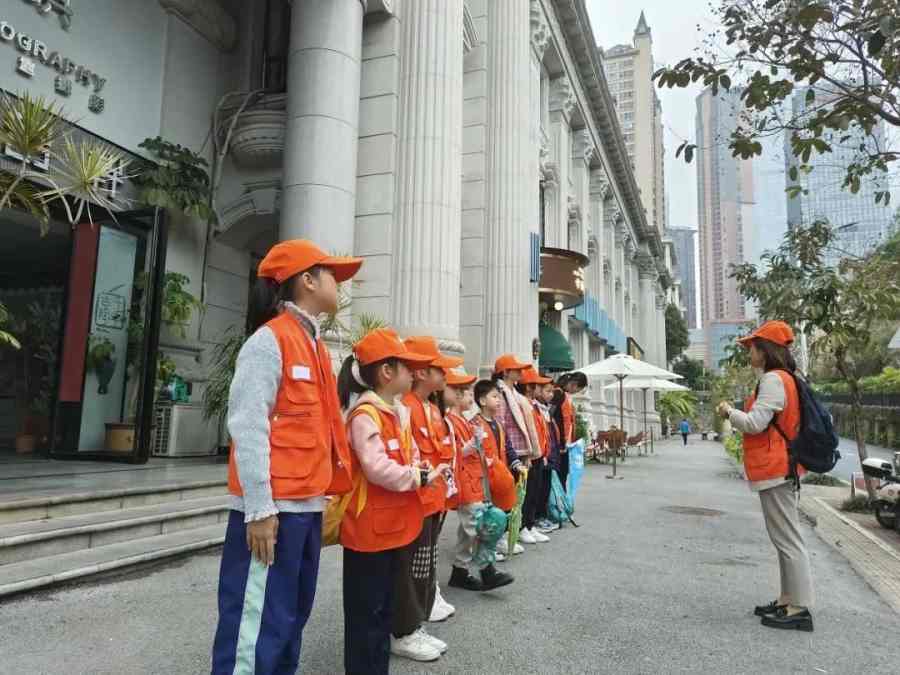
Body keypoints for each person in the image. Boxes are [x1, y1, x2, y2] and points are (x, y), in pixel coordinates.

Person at [211, 240, 362, 675]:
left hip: (304, 508)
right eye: (331, 273)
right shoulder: (269, 340)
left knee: (290, 619)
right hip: (272, 513)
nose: (338, 282)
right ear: (307, 280)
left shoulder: (312, 344)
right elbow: (248, 426)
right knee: (255, 627)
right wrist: (258, 509)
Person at [337, 328, 450, 673]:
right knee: (366, 615)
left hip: (391, 529)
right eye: (406, 366)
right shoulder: (365, 414)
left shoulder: (394, 411)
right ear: (387, 372)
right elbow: (375, 467)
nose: (413, 372)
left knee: (383, 609)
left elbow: (407, 455)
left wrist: (421, 467)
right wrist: (417, 476)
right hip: (368, 533)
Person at [716, 320, 814, 632]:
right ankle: (788, 599)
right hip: (779, 467)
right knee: (784, 538)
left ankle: (799, 607)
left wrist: (729, 412)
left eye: (753, 347)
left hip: (776, 467)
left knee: (788, 540)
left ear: (766, 350)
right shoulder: (784, 378)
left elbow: (756, 423)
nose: (749, 352)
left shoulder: (774, 379)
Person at [391, 336, 461, 655]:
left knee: (424, 565)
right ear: (420, 373)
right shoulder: (406, 408)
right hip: (417, 502)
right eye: (438, 370)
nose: (444, 377)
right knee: (413, 568)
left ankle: (416, 622)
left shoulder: (428, 407)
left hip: (432, 498)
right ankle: (405, 628)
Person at [444, 369, 515, 591]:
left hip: (475, 482)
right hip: (467, 483)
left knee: (472, 529)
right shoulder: (452, 421)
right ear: (455, 395)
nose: (469, 397)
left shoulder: (462, 421)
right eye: (465, 393)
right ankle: (483, 571)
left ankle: (463, 571)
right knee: (477, 527)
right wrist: (470, 447)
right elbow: (454, 452)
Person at [472, 379, 527, 557]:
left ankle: (498, 541)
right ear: (482, 401)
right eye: (494, 396)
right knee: (486, 512)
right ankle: (484, 547)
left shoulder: (498, 423)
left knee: (502, 508)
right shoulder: (475, 424)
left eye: (499, 397)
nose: (498, 400)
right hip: (484, 478)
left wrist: (516, 463)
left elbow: (508, 447)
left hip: (500, 474)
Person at [492, 354, 541, 548]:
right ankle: (500, 536)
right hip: (508, 450)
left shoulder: (513, 394)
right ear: (505, 372)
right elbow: (500, 424)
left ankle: (512, 532)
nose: (521, 372)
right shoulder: (501, 392)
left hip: (518, 449)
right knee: (506, 495)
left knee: (517, 494)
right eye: (516, 369)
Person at [517, 367, 554, 543]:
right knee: (528, 492)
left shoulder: (533, 405)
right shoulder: (524, 403)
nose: (541, 388)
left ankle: (530, 525)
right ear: (529, 387)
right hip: (531, 454)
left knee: (535, 491)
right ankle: (524, 526)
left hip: (538, 453)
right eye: (538, 385)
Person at [551, 372, 588, 490]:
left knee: (563, 473)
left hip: (565, 443)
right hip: (559, 443)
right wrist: (561, 442)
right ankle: (558, 503)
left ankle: (561, 501)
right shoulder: (558, 394)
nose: (576, 392)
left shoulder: (565, 395)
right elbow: (553, 419)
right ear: (574, 384)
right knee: (560, 474)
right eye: (578, 389)